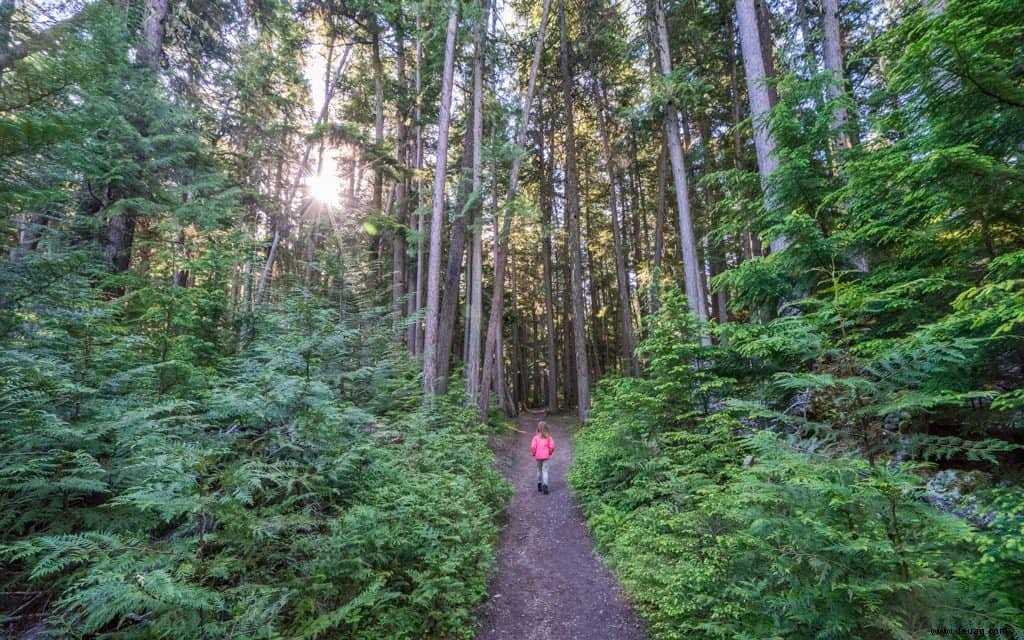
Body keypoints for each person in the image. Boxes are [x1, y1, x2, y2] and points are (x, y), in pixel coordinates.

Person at [531, 421, 555, 495]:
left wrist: (534, 453)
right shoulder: (549, 438)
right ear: (546, 428)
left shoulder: (535, 438)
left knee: (539, 470)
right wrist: (550, 452)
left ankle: (539, 484)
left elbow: (533, 447)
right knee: (545, 471)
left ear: (538, 428)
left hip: (538, 456)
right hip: (546, 457)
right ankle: (545, 486)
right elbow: (552, 446)